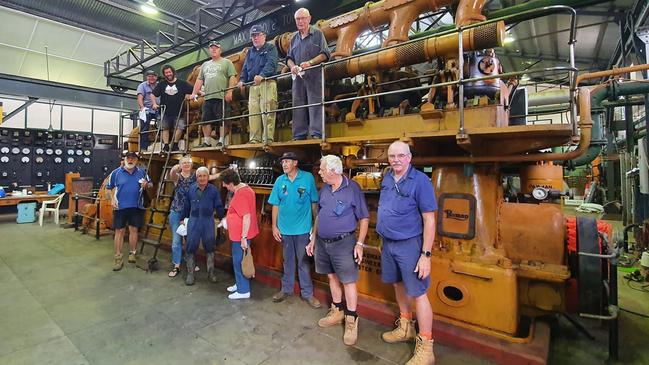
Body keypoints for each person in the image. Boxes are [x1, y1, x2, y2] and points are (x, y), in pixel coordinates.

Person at [377, 141, 437, 365]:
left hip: (410, 245)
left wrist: (425, 254)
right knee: (398, 285)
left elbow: (429, 219)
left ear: (409, 158)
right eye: (392, 156)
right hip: (389, 243)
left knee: (418, 292)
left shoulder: (420, 181)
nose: (396, 160)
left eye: (401, 156)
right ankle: (405, 327)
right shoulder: (387, 178)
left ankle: (426, 347)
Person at [307, 155, 369, 346]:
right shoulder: (325, 189)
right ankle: (337, 311)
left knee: (348, 281)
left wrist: (359, 244)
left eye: (322, 170)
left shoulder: (353, 189)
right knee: (332, 276)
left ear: (333, 171)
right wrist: (313, 238)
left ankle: (351, 320)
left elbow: (364, 218)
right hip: (323, 243)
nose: (319, 172)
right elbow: (320, 215)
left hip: (344, 242)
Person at [268, 151, 321, 308]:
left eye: (287, 161)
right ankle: (286, 289)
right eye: (283, 161)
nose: (284, 164)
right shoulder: (279, 180)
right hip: (284, 229)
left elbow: (314, 204)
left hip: (303, 229)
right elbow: (275, 205)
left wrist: (314, 228)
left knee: (304, 262)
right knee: (287, 261)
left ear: (295, 163)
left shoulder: (307, 178)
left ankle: (307, 294)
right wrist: (274, 226)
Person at [167, 155, 220, 278]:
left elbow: (210, 176)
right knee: (176, 240)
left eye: (188, 163)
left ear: (191, 165)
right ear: (181, 165)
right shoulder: (177, 177)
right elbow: (172, 173)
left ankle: (190, 263)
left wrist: (226, 173)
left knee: (190, 240)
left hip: (191, 212)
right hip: (177, 211)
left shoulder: (195, 177)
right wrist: (176, 167)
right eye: (183, 163)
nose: (186, 165)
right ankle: (176, 265)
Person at [286, 7, 330, 140]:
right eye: (298, 19)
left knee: (315, 103)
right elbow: (288, 58)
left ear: (309, 19)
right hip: (298, 78)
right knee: (298, 104)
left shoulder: (318, 34)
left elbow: (325, 54)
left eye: (303, 18)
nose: (300, 21)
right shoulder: (294, 39)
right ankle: (299, 134)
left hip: (314, 75)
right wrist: (292, 66)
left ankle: (317, 133)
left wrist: (310, 63)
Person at [106, 151, 151, 271]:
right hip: (120, 207)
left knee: (134, 230)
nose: (130, 160)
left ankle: (133, 253)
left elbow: (150, 184)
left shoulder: (142, 172)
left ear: (136, 160)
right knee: (119, 231)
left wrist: (146, 185)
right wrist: (112, 200)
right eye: (128, 158)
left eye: (133, 159)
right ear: (125, 159)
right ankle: (118, 257)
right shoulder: (116, 173)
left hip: (136, 207)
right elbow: (108, 188)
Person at [180, 166, 225, 286]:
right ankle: (190, 273)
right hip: (193, 221)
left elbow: (219, 206)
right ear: (196, 177)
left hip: (208, 221)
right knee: (190, 247)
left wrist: (223, 219)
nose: (202, 178)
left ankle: (211, 273)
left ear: (208, 177)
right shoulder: (191, 189)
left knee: (210, 247)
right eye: (199, 176)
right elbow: (186, 206)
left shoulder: (213, 190)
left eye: (205, 175)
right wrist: (182, 219)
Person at [221, 168, 259, 299]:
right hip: (239, 234)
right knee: (238, 259)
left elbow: (246, 217)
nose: (224, 186)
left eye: (225, 183)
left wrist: (243, 237)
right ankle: (239, 284)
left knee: (239, 261)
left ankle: (243, 290)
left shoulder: (241, 194)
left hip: (240, 236)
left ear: (231, 182)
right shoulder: (245, 189)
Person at [237, 25, 279, 144]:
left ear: (264, 36)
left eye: (257, 35)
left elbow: (271, 64)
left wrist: (262, 75)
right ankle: (255, 139)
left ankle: (267, 138)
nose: (255, 38)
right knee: (253, 112)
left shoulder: (271, 48)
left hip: (267, 83)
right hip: (253, 87)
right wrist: (242, 80)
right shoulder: (250, 52)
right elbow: (245, 68)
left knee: (267, 110)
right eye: (253, 36)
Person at [191, 41, 237, 148]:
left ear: (220, 50)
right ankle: (207, 141)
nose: (214, 49)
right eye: (212, 48)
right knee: (205, 120)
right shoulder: (205, 65)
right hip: (208, 98)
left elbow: (232, 77)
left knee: (223, 119)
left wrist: (230, 91)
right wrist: (194, 93)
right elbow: (199, 80)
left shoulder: (227, 62)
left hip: (221, 96)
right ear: (209, 50)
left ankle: (221, 140)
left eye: (216, 48)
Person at [150, 64, 193, 153]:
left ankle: (175, 143)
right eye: (166, 73)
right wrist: (154, 103)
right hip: (165, 111)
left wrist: (201, 93)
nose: (168, 74)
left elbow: (193, 90)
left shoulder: (182, 83)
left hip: (179, 110)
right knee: (165, 128)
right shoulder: (162, 84)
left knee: (180, 127)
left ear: (173, 72)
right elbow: (152, 94)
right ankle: (166, 145)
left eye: (169, 72)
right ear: (164, 74)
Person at [136, 69, 158, 151]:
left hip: (158, 109)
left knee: (163, 124)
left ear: (156, 77)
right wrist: (142, 107)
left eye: (153, 76)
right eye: (149, 76)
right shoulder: (142, 85)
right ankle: (143, 147)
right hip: (147, 109)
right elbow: (140, 97)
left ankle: (162, 143)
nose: (151, 78)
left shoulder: (159, 86)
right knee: (144, 128)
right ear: (146, 77)